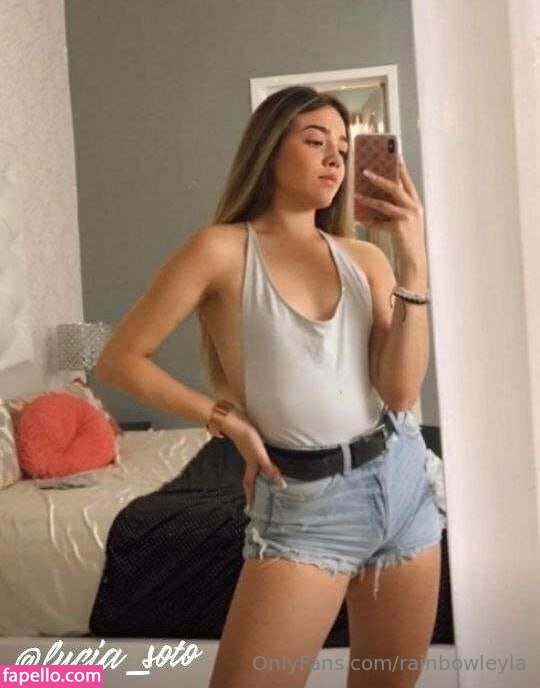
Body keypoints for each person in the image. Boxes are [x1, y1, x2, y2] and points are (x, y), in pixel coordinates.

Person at [95, 86, 441, 688]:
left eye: (343, 148)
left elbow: (401, 393)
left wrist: (413, 260)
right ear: (268, 150)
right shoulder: (220, 250)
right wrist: (224, 420)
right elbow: (120, 360)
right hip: (306, 505)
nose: (334, 159)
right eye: (315, 142)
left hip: (402, 481)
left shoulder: (366, 259)